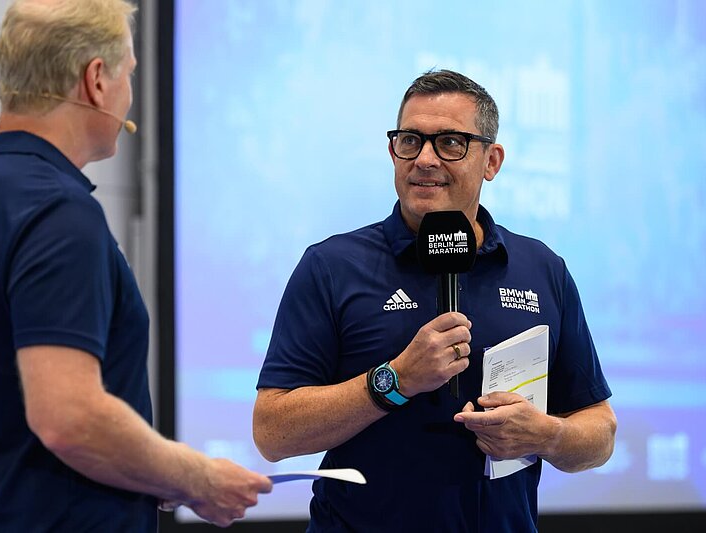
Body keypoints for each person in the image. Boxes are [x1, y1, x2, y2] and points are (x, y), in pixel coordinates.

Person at [253, 69, 617, 532]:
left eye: (450, 142)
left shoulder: (542, 269)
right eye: (410, 140)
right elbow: (272, 432)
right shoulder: (331, 266)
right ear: (393, 151)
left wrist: (547, 434)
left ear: (492, 161)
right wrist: (395, 380)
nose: (424, 159)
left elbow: (600, 431)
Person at [0, 1, 271, 530]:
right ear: (97, 80)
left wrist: (152, 472)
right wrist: (196, 478)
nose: (130, 94)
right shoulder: (59, 212)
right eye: (128, 73)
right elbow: (69, 418)